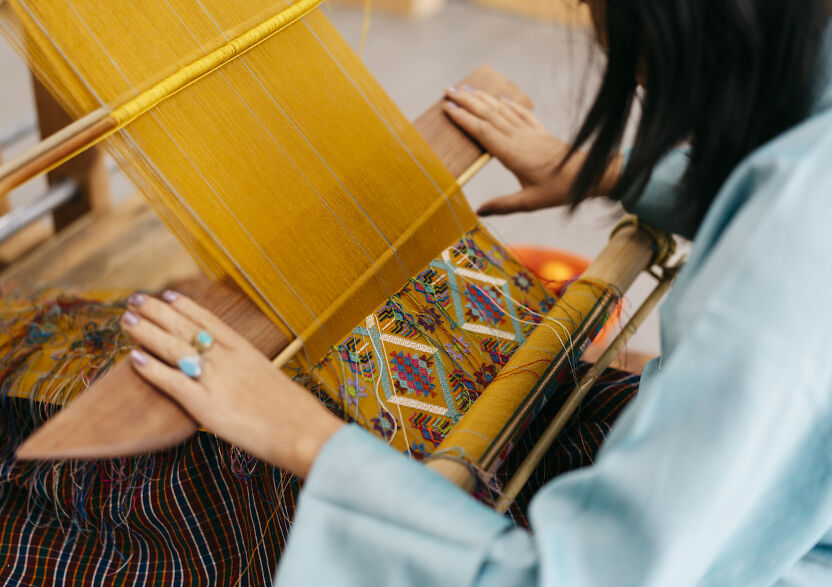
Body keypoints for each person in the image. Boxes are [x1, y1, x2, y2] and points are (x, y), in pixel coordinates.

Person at [120, 0, 832, 584]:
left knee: (196, 496)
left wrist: (299, 432)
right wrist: (611, 172)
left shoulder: (784, 266)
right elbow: (782, 173)